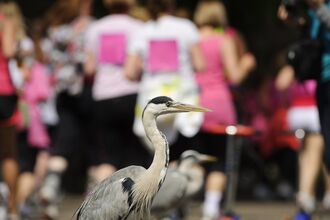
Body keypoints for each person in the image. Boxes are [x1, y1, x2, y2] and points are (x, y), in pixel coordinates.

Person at [193, 1, 256, 219]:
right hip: (218, 104)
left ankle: (177, 207)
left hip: (192, 103)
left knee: (193, 156)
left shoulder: (191, 38)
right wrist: (246, 64)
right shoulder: (224, 40)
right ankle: (210, 208)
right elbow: (235, 76)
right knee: (219, 158)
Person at [125, 0, 205, 159]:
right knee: (183, 155)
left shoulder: (142, 31)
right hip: (183, 97)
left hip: (151, 99)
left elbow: (129, 72)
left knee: (159, 156)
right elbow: (200, 64)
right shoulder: (186, 27)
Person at [36, 0, 94, 217]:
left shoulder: (53, 32)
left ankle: (50, 188)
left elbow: (47, 59)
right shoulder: (84, 30)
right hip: (84, 92)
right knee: (94, 144)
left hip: (60, 93)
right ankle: (93, 195)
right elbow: (88, 64)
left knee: (62, 143)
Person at [84, 0, 151, 185]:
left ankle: (101, 203)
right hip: (132, 95)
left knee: (106, 157)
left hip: (103, 96)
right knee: (135, 156)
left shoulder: (96, 28)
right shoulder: (139, 27)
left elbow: (89, 68)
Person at [0, 1, 27, 219]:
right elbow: (8, 51)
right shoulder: (4, 21)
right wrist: (19, 50)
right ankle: (13, 208)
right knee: (8, 153)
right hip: (3, 91)